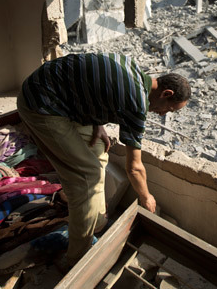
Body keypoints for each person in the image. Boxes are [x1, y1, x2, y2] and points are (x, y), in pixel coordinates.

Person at [16, 52, 191, 269]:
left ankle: (94, 220)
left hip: (58, 98)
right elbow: (134, 168)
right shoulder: (136, 102)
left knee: (98, 146)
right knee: (87, 175)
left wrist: (97, 123)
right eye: (170, 109)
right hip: (40, 103)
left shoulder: (134, 70)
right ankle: (78, 258)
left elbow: (91, 86)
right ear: (166, 93)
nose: (163, 114)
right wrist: (146, 197)